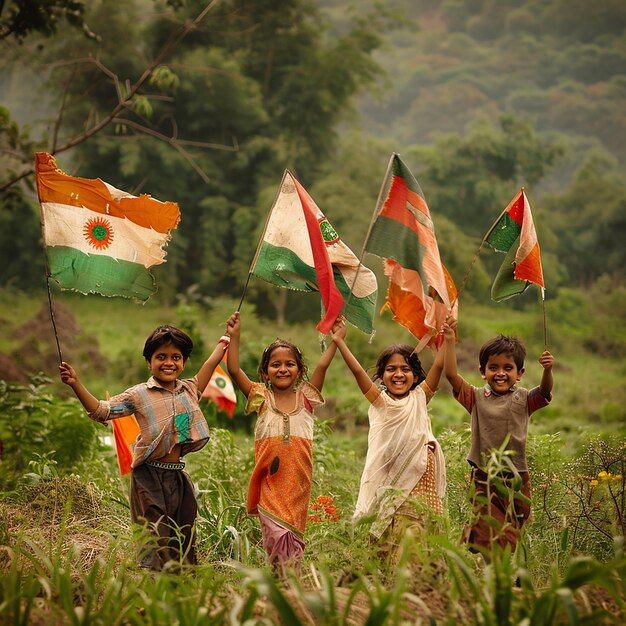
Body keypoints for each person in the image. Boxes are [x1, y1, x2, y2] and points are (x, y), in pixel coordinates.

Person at [59, 325, 230, 571]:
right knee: (155, 533)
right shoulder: (139, 394)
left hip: (177, 475)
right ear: (149, 362)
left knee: (184, 532)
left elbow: (212, 363)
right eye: (161, 357)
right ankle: (152, 584)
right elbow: (100, 410)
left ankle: (181, 587)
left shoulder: (189, 390)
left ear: (184, 362)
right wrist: (75, 384)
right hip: (148, 475)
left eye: (176, 357)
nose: (168, 362)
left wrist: (227, 336)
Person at [225, 311, 341, 573]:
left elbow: (322, 367)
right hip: (270, 483)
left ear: (300, 370)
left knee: (293, 535)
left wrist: (336, 340)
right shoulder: (260, 397)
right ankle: (281, 578)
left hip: (298, 481)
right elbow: (233, 369)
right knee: (275, 535)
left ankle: (290, 582)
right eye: (275, 364)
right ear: (265, 372)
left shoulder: (307, 399)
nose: (283, 368)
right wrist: (235, 336)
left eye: (289, 363)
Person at [330, 315, 455, 546]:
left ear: (415, 376)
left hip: (421, 483)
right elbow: (358, 372)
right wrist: (340, 342)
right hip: (390, 483)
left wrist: (447, 339)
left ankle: (422, 579)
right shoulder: (380, 402)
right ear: (382, 375)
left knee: (420, 535)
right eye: (391, 369)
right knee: (391, 536)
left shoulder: (420, 397)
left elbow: (438, 365)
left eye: (405, 369)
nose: (398, 374)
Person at [444, 332, 554, 555]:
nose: (500, 373)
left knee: (512, 528)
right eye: (493, 367)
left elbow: (545, 391)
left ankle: (497, 561)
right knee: (489, 529)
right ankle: (493, 574)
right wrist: (448, 340)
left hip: (517, 477)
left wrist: (548, 370)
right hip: (485, 476)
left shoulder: (524, 398)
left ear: (520, 373)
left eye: (508, 368)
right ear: (482, 372)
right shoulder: (475, 397)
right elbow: (451, 375)